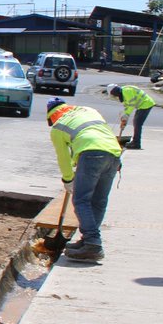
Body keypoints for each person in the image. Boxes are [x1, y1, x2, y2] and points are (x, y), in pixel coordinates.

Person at [46, 97, 123, 262]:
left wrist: (68, 180)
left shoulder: (57, 127)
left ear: (51, 116)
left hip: (91, 155)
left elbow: (63, 157)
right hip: (114, 153)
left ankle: (93, 243)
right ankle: (88, 240)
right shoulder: (89, 110)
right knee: (99, 201)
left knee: (81, 200)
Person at [107, 84, 154, 150]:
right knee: (136, 123)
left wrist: (126, 115)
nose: (115, 96)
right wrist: (124, 119)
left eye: (114, 95)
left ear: (114, 92)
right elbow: (127, 107)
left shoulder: (127, 91)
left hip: (146, 104)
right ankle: (135, 142)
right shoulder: (123, 92)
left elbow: (131, 105)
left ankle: (136, 144)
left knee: (137, 124)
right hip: (143, 105)